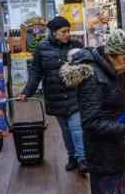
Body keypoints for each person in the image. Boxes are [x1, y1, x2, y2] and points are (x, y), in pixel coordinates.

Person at [61, 29, 125, 194]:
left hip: (116, 149)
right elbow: (91, 122)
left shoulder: (114, 69)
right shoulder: (93, 78)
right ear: (111, 54)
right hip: (103, 154)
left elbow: (113, 108)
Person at [19, 16, 87, 173]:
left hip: (74, 94)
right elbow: (36, 72)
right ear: (54, 32)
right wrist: (26, 92)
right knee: (66, 131)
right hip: (55, 96)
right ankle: (72, 157)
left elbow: (86, 66)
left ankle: (83, 159)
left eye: (68, 31)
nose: (67, 34)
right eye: (64, 31)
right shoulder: (42, 48)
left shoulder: (76, 46)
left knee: (76, 128)